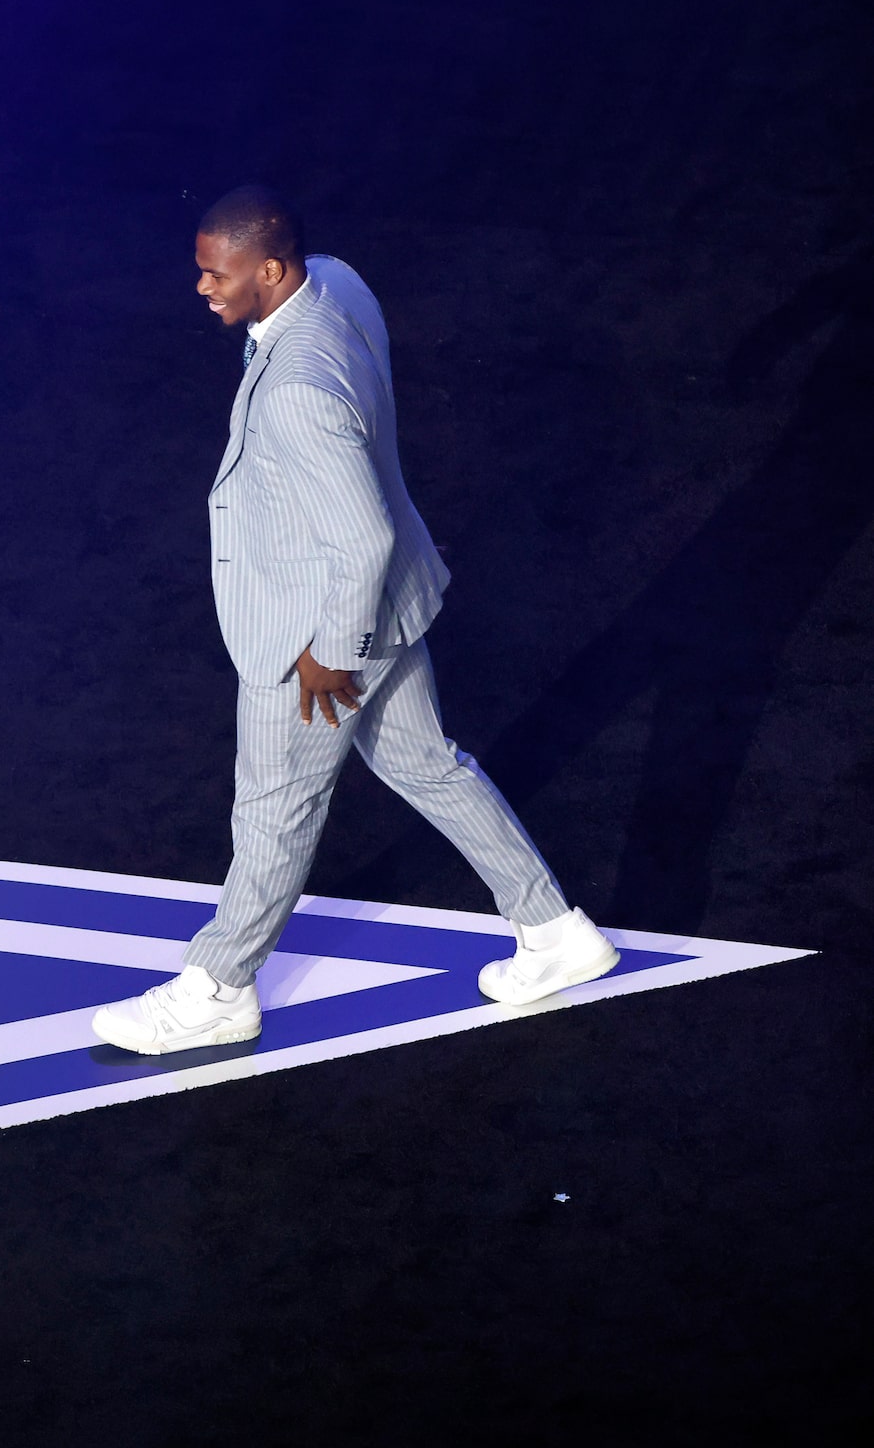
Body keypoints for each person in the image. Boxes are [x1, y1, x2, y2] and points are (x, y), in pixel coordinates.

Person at [91, 186, 617, 1055]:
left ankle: (219, 988)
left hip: (320, 628)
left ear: (269, 269)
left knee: (274, 806)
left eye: (214, 274)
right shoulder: (335, 282)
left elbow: (363, 536)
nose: (201, 288)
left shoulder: (300, 389)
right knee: (427, 765)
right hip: (389, 602)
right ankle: (557, 933)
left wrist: (332, 653)